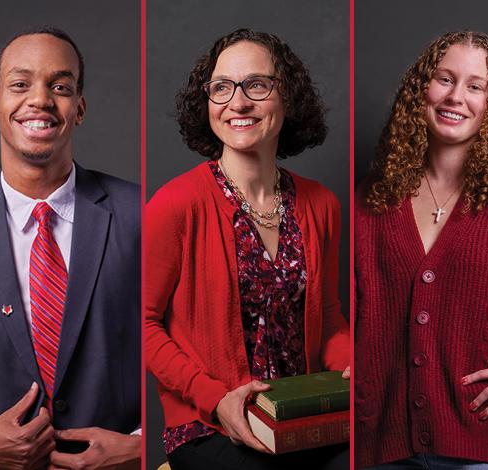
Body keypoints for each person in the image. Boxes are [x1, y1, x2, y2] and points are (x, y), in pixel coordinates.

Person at [144, 28, 350, 470]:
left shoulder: (322, 205)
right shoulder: (175, 205)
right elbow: (142, 326)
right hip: (211, 425)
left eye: (257, 84)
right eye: (221, 88)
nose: (238, 103)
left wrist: (353, 367)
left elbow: (328, 317)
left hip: (302, 416)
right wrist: (215, 399)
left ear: (288, 98)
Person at [0, 27, 141, 469]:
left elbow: (189, 353)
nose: (40, 100)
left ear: (80, 109)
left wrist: (143, 447)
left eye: (60, 87)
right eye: (20, 84)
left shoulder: (141, 214)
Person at [355, 31, 488, 469]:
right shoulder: (371, 200)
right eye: (443, 79)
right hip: (382, 448)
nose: (455, 97)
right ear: (420, 90)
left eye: (475, 86)